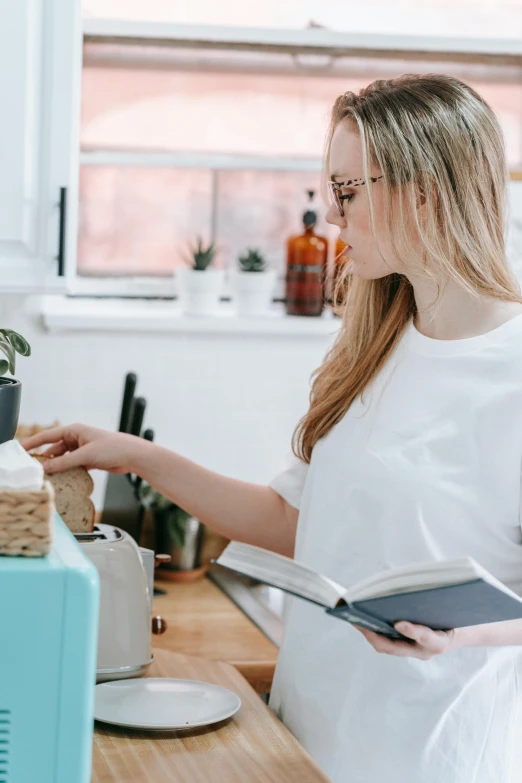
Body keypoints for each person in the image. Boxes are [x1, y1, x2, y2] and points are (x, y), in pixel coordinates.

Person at [23, 73, 522, 782]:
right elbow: (294, 519)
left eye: (349, 190)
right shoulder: (378, 344)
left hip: (432, 756)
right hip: (309, 737)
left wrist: (470, 631)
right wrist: (132, 453)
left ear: (424, 189)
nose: (335, 215)